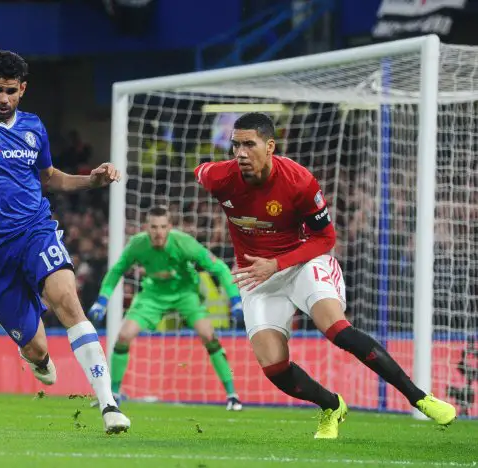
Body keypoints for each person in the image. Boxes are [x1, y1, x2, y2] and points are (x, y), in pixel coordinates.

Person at [194, 112, 456, 439]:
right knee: (274, 367)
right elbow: (200, 171)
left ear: (270, 145)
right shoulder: (219, 177)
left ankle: (419, 397)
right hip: (257, 278)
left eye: (250, 144)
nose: (240, 153)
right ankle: (331, 405)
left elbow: (326, 238)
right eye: (235, 145)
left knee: (337, 330)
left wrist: (276, 264)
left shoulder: (298, 181)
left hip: (303, 262)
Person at [0, 49, 130, 434]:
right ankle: (37, 359)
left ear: (23, 90)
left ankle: (108, 403)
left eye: (11, 91)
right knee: (36, 347)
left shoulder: (34, 126)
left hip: (36, 230)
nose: (3, 98)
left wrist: (91, 180)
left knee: (69, 303)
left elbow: (49, 177)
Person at [89, 205, 245, 410]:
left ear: (170, 226)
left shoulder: (185, 243)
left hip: (185, 294)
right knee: (124, 335)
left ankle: (232, 395)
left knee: (209, 335)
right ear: (146, 227)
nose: (158, 232)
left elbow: (220, 268)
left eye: (163, 227)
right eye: (153, 227)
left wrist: (235, 300)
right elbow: (116, 271)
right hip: (153, 294)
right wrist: (102, 300)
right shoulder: (137, 244)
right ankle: (115, 393)